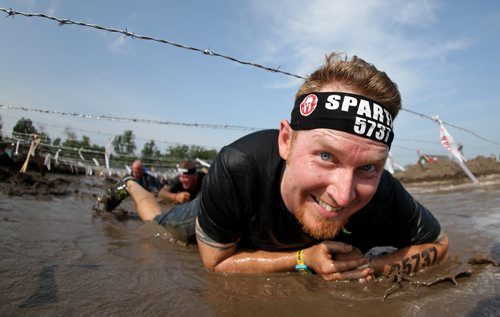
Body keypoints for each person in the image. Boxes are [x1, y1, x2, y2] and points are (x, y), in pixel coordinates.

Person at [195, 52, 449, 282]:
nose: (342, 195)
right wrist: (302, 260)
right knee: (161, 221)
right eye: (326, 156)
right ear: (286, 141)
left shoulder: (383, 191)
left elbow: (439, 244)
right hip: (225, 214)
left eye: (368, 167)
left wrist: (369, 265)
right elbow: (216, 261)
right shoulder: (239, 168)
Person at [98, 159, 204, 244]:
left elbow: (157, 191)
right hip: (196, 212)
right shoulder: (178, 180)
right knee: (157, 223)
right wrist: (176, 197)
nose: (182, 180)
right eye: (181, 176)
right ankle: (130, 184)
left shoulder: (149, 178)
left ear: (195, 176)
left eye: (186, 177)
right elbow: (162, 193)